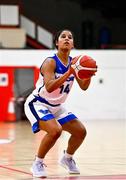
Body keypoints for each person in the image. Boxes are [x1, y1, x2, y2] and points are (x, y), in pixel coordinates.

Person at [24, 29, 94, 178]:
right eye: (63, 37)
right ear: (57, 42)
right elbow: (49, 87)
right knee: (55, 131)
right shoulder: (50, 62)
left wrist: (88, 74)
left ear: (73, 44)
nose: (67, 39)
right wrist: (69, 72)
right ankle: (37, 163)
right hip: (38, 103)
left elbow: (84, 86)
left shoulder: (75, 63)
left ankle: (67, 158)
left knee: (80, 131)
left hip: (57, 107)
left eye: (70, 37)